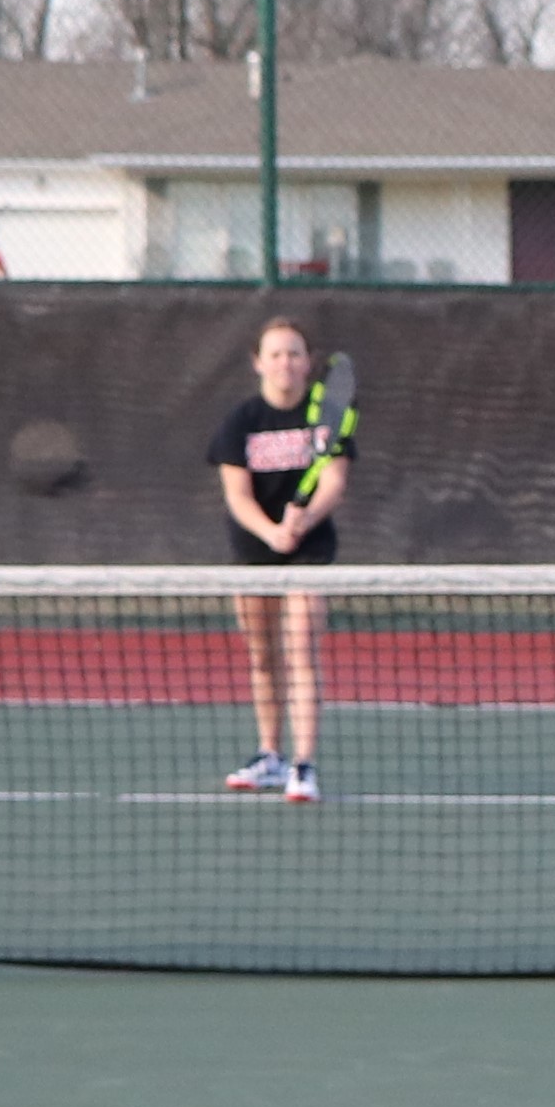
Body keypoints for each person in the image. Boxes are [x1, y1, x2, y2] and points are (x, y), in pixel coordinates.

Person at [209, 319, 349, 802]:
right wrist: (271, 531)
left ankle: (303, 765)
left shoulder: (325, 418)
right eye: (275, 354)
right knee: (263, 657)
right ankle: (270, 755)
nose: (285, 363)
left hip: (308, 553)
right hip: (252, 555)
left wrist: (303, 521)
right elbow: (236, 494)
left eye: (294, 354)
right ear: (258, 363)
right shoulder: (240, 421)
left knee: (301, 651)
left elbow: (332, 482)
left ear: (308, 363)